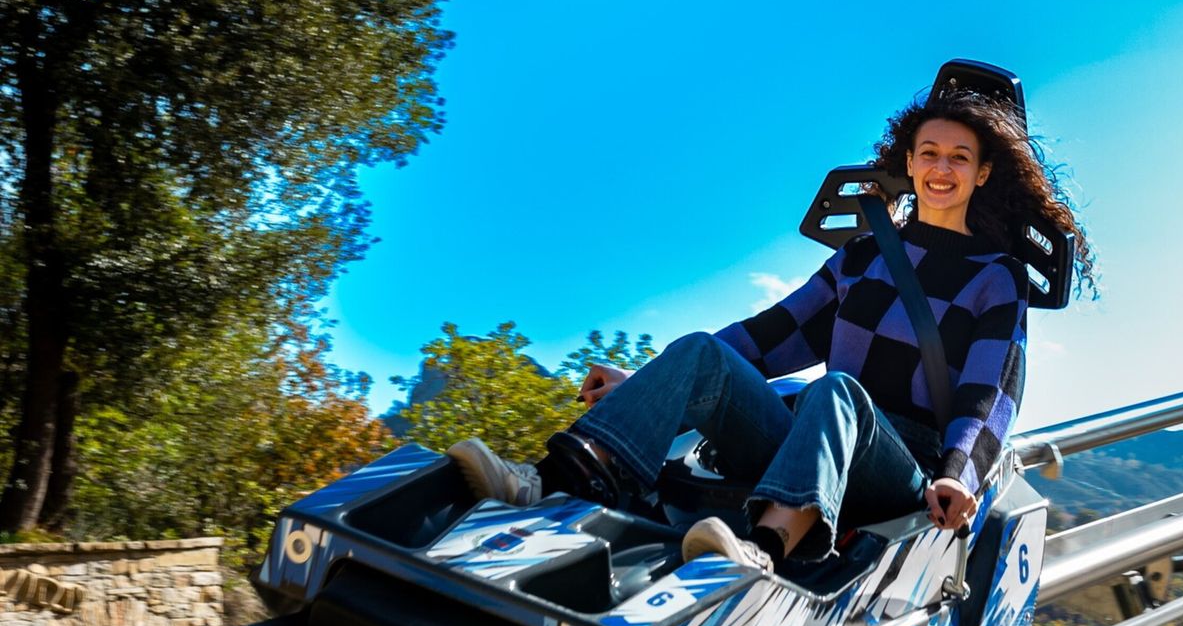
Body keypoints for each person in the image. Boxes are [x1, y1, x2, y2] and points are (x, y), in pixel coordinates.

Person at [448, 85, 1094, 571]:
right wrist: (645, 384)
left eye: (959, 157)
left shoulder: (995, 276)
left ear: (982, 174)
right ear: (910, 161)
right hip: (815, 435)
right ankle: (546, 482)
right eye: (929, 153)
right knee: (703, 351)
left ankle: (764, 547)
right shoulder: (865, 255)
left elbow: (991, 394)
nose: (942, 169)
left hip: (900, 467)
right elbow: (768, 336)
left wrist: (958, 473)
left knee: (836, 391)